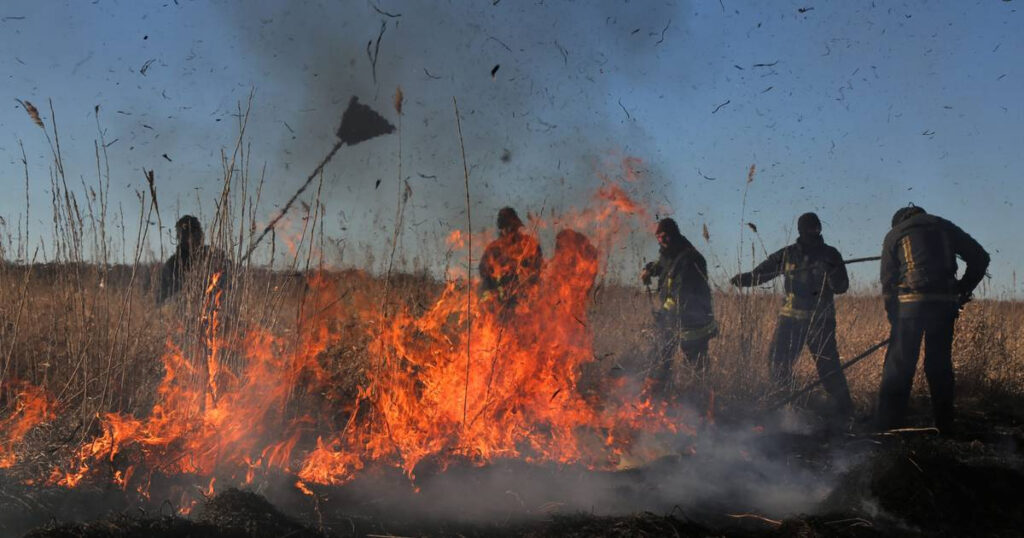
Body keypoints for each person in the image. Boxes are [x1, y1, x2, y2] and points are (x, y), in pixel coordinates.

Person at [875, 205, 989, 435]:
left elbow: (888, 284)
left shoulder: (895, 235)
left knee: (900, 365)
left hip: (910, 306)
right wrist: (961, 289)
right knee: (939, 365)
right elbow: (980, 258)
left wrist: (894, 320)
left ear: (899, 221)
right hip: (943, 305)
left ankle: (888, 425)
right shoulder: (945, 226)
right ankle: (945, 424)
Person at [729, 212, 854, 418]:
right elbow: (763, 272)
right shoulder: (787, 254)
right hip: (790, 321)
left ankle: (846, 413)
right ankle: (801, 403)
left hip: (820, 322)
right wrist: (744, 279)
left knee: (828, 368)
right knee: (777, 365)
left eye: (816, 227)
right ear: (801, 230)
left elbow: (841, 287)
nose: (813, 231)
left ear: (820, 228)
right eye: (809, 228)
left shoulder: (830, 255)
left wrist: (831, 272)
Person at [642, 218, 717, 397]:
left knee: (697, 367)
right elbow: (663, 265)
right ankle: (658, 397)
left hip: (693, 322)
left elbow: (681, 295)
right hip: (674, 320)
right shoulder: (671, 253)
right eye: (658, 237)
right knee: (661, 357)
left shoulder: (689, 259)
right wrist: (648, 270)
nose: (661, 241)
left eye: (665, 236)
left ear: (673, 235)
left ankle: (705, 403)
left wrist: (664, 313)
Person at [157, 215, 232, 305]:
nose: (196, 238)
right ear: (182, 239)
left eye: (198, 233)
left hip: (215, 311)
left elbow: (232, 280)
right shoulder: (173, 265)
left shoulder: (213, 256)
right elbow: (161, 302)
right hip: (185, 314)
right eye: (192, 235)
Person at [478, 207, 542, 310]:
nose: (510, 231)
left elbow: (538, 269)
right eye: (506, 227)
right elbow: (484, 275)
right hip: (501, 304)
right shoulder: (493, 250)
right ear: (502, 228)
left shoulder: (528, 245)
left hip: (524, 303)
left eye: (512, 227)